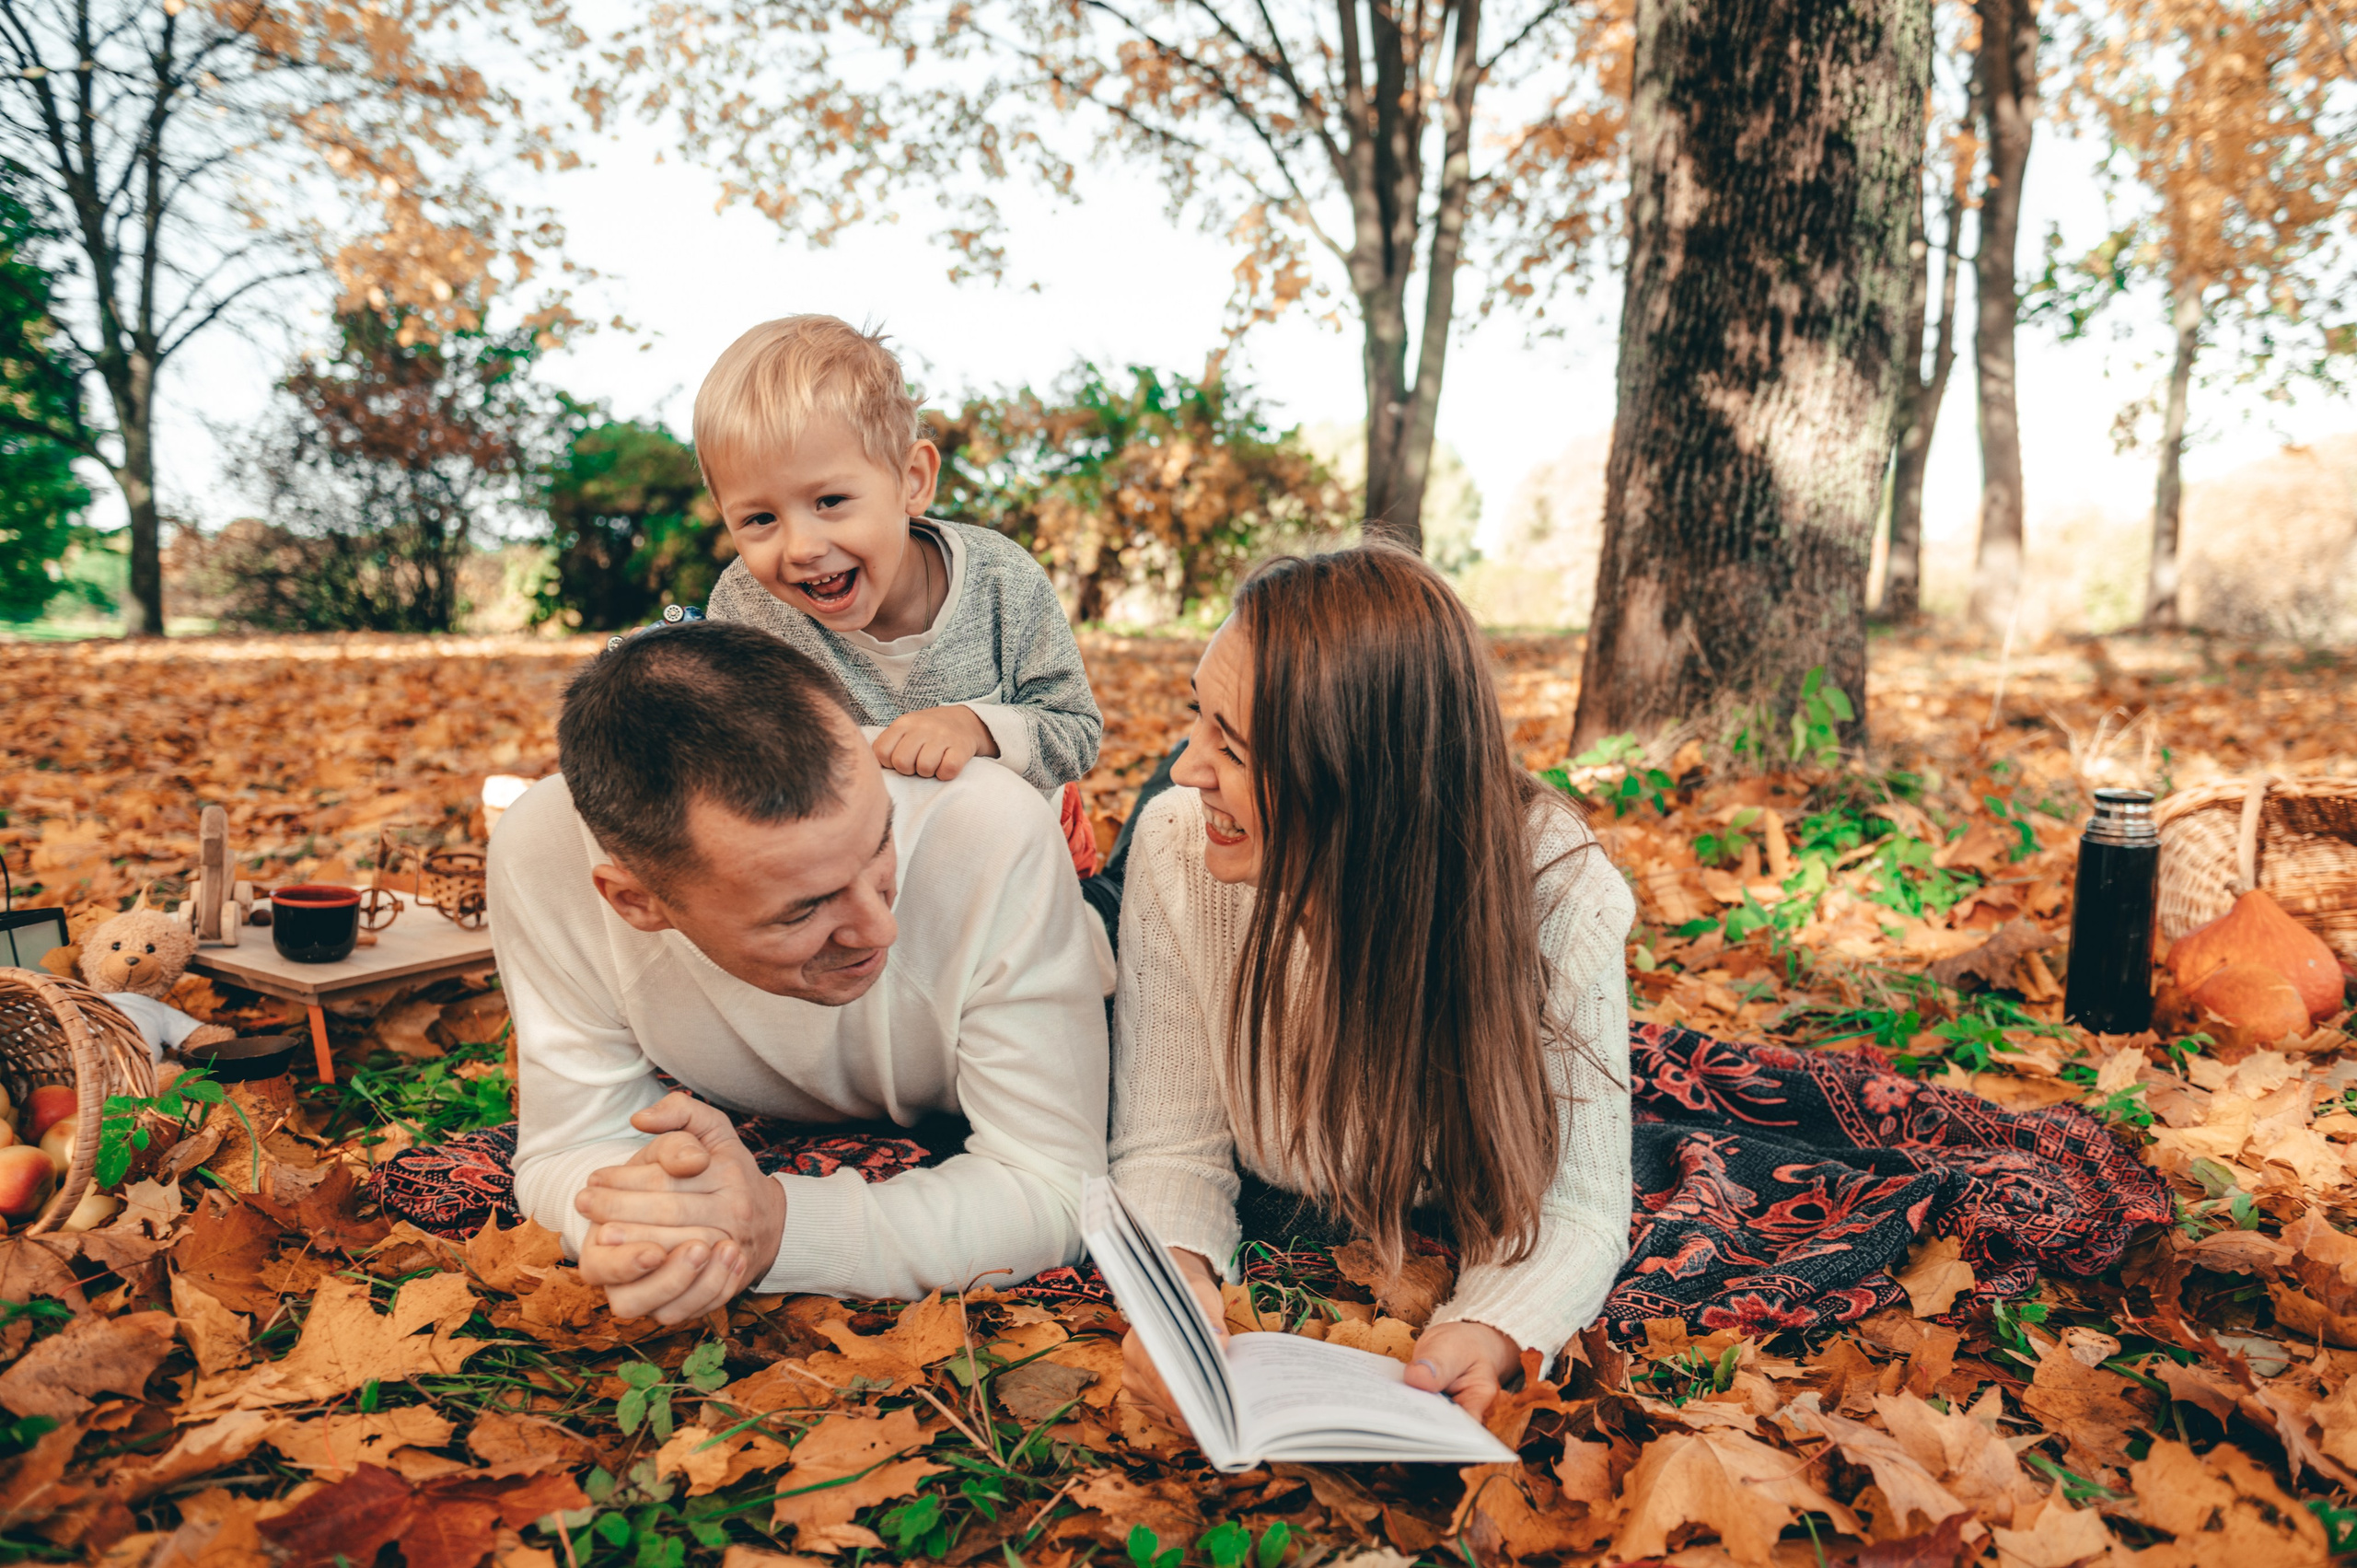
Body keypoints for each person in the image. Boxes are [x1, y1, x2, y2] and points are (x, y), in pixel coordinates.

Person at [1108, 547, 1636, 1423]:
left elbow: (1576, 1204)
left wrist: (1489, 1330)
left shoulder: (1557, 893)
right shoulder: (1175, 848)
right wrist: (1180, 1282)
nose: (1184, 769)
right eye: (1196, 718)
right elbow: (1169, 1142)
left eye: (1232, 747)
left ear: (1358, 781)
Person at [492, 621, 1112, 1325]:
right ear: (636, 901)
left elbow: (1057, 1187)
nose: (880, 928)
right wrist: (649, 1227)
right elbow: (568, 1146)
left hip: (1089, 943)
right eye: (803, 910)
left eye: (881, 842)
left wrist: (779, 1227)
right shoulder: (542, 853)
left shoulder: (991, 826)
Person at [697, 315, 1104, 866]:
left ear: (911, 481)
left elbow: (1075, 732)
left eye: (830, 502)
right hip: (852, 873)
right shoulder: (746, 607)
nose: (801, 547)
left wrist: (975, 728)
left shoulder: (1002, 581)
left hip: (1011, 868)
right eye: (760, 518)